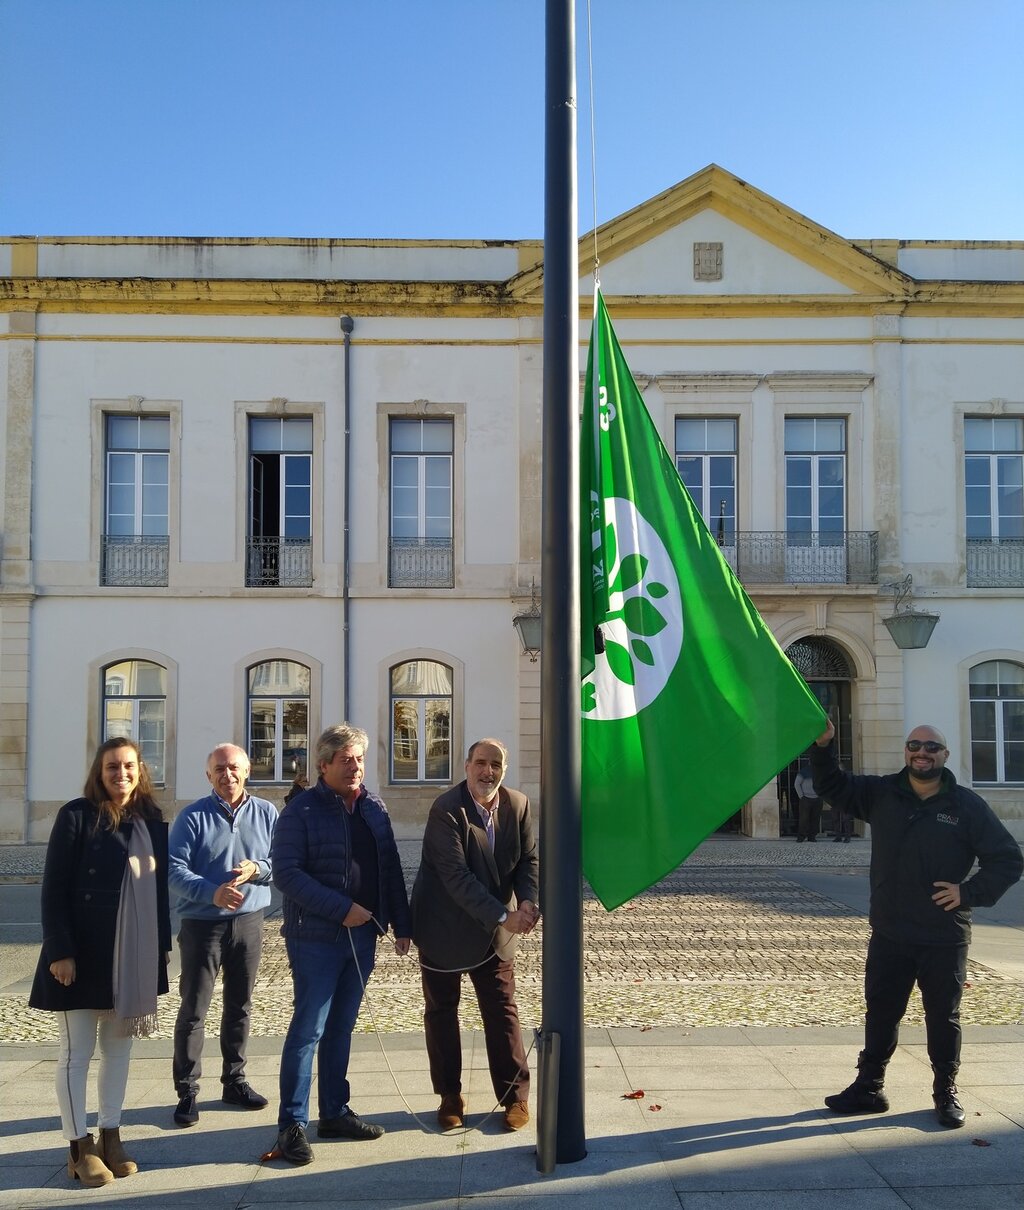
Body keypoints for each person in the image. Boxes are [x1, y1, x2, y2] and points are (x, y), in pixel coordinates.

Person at [811, 719, 1022, 1127]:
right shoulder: (882, 793)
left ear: (944, 756)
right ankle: (869, 1088)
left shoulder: (965, 806)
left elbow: (1008, 859)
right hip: (890, 930)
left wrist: (969, 892)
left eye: (931, 747)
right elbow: (833, 786)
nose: (921, 752)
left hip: (944, 935)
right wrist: (823, 746)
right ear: (906, 751)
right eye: (914, 745)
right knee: (881, 1011)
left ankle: (945, 1091)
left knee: (943, 1016)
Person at [29, 737, 171, 1187]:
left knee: (119, 1051)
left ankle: (111, 1136)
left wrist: (158, 954)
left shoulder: (150, 819)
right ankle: (78, 1146)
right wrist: (60, 951)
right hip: (81, 954)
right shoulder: (76, 814)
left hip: (130, 957)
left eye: (129, 766)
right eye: (112, 766)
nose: (121, 774)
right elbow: (53, 888)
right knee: (76, 1054)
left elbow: (159, 895)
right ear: (99, 771)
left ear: (140, 769)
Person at [270, 723, 411, 1165]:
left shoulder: (374, 808)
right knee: (308, 1030)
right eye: (345, 760)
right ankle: (292, 1123)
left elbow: (389, 870)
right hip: (316, 938)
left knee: (342, 1028)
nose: (355, 767)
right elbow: (287, 875)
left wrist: (402, 924)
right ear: (323, 764)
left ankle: (334, 1111)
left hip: (364, 935)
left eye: (360, 759)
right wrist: (340, 908)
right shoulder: (301, 811)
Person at [411, 738, 539, 1132]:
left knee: (502, 1011)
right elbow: (456, 877)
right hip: (443, 928)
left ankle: (514, 1097)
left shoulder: (517, 805)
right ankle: (450, 1095)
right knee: (442, 1012)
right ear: (466, 766)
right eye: (481, 763)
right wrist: (504, 915)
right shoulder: (446, 810)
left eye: (496, 764)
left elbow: (529, 859)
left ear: (505, 768)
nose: (488, 772)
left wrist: (530, 902)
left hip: (493, 937)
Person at [168, 742, 278, 1126]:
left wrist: (258, 869)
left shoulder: (266, 812)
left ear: (247, 771)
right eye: (219, 769)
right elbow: (173, 869)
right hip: (202, 925)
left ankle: (235, 1080)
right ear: (208, 775)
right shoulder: (192, 817)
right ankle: (187, 1091)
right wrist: (210, 892)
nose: (227, 775)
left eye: (234, 768)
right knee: (194, 1009)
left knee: (240, 1006)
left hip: (249, 921)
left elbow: (281, 860)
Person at [793, 763, 821, 842]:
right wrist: (801, 796)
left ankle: (812, 836)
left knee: (815, 819)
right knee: (804, 819)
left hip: (817, 799)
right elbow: (796, 784)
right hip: (806, 799)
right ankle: (801, 836)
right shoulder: (803, 772)